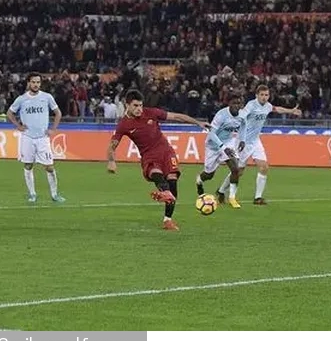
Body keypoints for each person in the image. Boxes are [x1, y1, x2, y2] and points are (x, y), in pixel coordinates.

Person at [106, 89, 210, 231]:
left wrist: (198, 123)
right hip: (149, 156)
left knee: (172, 182)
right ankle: (164, 192)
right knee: (157, 174)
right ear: (127, 105)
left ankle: (167, 219)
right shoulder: (124, 125)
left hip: (166, 152)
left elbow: (176, 117)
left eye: (140, 105)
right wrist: (111, 161)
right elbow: (112, 146)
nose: (139, 109)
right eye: (135, 106)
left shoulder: (151, 113)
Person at [217, 85, 302, 205]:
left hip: (256, 141)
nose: (264, 97)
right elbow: (241, 115)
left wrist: (291, 111)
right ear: (256, 95)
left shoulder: (267, 106)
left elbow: (276, 109)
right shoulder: (251, 105)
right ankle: (221, 191)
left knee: (264, 167)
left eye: (266, 95)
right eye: (262, 95)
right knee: (238, 171)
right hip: (243, 142)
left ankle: (258, 198)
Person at [6, 72, 64, 203]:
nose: (36, 84)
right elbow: (9, 113)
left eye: (38, 82)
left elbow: (58, 113)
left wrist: (53, 129)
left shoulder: (47, 97)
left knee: (49, 167)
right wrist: (18, 126)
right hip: (27, 137)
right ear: (28, 83)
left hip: (43, 138)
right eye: (33, 82)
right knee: (28, 165)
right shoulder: (22, 99)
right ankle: (32, 194)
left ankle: (55, 194)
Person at [195, 94, 245, 208]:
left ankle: (232, 197)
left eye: (239, 103)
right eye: (234, 103)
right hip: (213, 145)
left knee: (235, 169)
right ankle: (199, 180)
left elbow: (244, 125)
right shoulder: (221, 115)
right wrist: (223, 147)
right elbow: (211, 133)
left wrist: (242, 139)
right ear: (229, 104)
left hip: (228, 142)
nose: (236, 106)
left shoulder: (242, 114)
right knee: (209, 175)